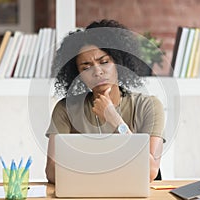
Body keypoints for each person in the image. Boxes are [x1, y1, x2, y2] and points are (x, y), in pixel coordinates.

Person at [45, 19, 165, 184]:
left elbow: (151, 171)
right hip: (84, 193)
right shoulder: (65, 109)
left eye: (104, 62)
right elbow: (51, 171)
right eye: (86, 67)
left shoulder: (149, 106)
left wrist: (114, 119)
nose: (97, 72)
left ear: (118, 62)